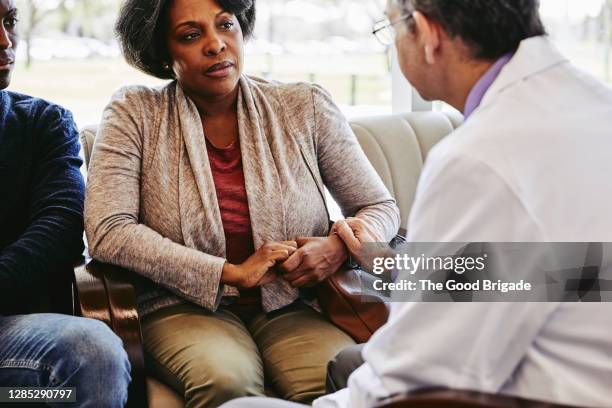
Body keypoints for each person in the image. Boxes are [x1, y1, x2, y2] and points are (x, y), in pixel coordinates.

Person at [220, 0, 612, 407]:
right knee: (350, 364)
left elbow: (414, 380)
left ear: (425, 34)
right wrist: (386, 261)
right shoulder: (592, 103)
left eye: (389, 29)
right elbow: (558, 270)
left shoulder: (478, 158)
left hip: (544, 391)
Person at [84, 0, 400, 406]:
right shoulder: (134, 114)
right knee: (226, 383)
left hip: (293, 304)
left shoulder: (304, 106)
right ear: (163, 51)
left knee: (344, 380)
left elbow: (378, 206)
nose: (216, 45)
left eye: (226, 25)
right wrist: (230, 273)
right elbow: (110, 231)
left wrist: (338, 248)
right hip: (181, 307)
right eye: (191, 35)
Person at [0, 0, 131, 406]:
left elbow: (60, 227)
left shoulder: (44, 123)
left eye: (9, 21)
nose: (5, 41)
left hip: (15, 350)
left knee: (91, 351)